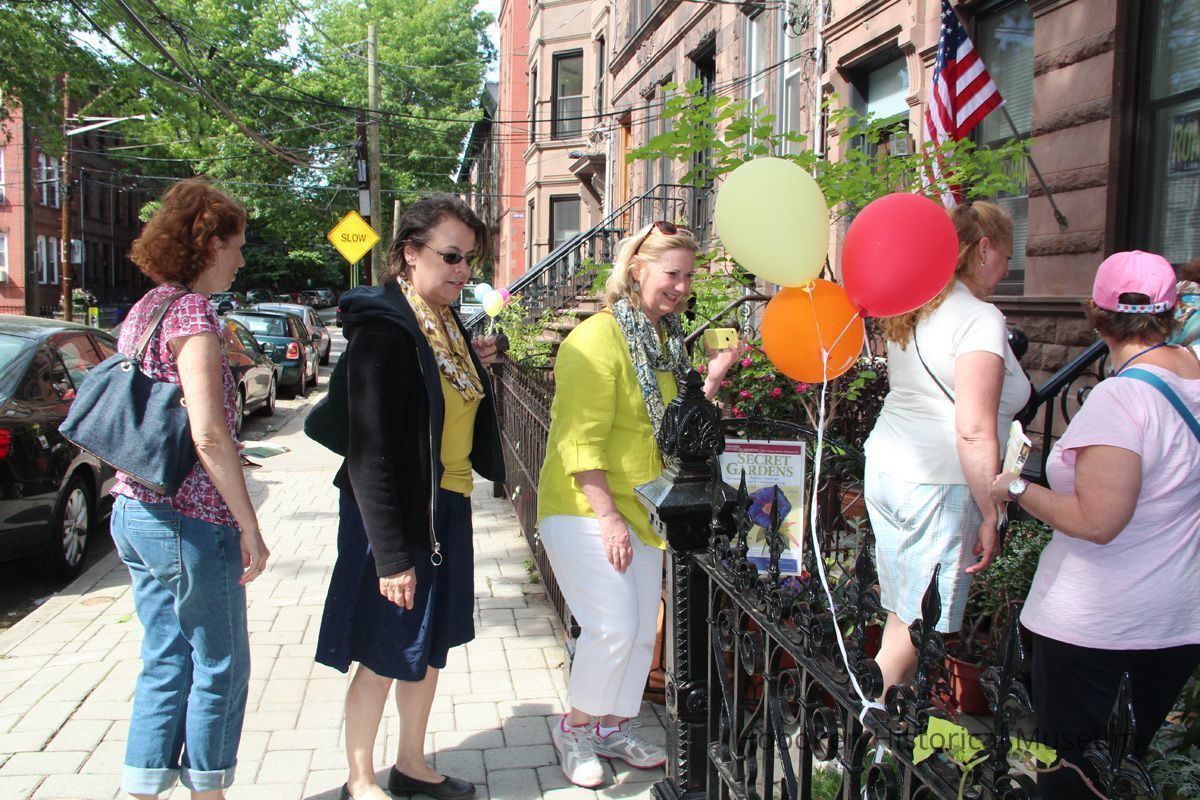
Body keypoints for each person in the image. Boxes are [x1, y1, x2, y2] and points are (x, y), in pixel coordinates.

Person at [536, 220, 742, 787]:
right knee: (613, 626)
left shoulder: (664, 340)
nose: (682, 287)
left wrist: (712, 379)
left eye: (689, 277)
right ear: (637, 270)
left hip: (645, 505)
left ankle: (611, 726)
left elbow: (675, 426)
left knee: (642, 634)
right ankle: (575, 729)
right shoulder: (595, 340)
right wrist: (608, 518)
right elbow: (579, 441)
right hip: (585, 504)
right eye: (672, 274)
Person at [990, 250, 1200, 799]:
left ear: (1096, 314)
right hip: (1175, 619)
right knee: (1118, 772)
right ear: (1171, 311)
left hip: (1098, 625)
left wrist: (1016, 487)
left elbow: (1098, 520)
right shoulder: (1193, 378)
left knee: (1071, 779)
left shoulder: (1122, 398)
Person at [314, 194, 504, 800]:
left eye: (470, 259)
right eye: (451, 256)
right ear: (409, 253)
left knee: (430, 646)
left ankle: (413, 765)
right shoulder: (384, 329)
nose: (463, 270)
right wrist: (392, 557)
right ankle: (360, 780)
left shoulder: (443, 324)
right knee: (384, 647)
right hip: (396, 514)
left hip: (447, 504)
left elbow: (441, 401)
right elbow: (367, 452)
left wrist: (479, 361)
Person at [111, 179, 269, 800]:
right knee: (221, 664)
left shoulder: (147, 308)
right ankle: (209, 793)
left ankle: (142, 788)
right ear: (208, 245)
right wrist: (248, 524)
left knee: (165, 659)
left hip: (135, 509)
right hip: (189, 518)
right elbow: (208, 434)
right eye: (237, 245)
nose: (241, 258)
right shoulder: (192, 314)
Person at [863, 201, 1031, 694]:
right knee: (920, 623)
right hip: (940, 482)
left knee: (903, 613)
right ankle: (866, 722)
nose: (1007, 270)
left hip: (889, 466)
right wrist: (991, 511)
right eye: (1007, 256)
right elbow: (973, 429)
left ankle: (879, 724)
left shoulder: (918, 305)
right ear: (984, 249)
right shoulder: (979, 317)